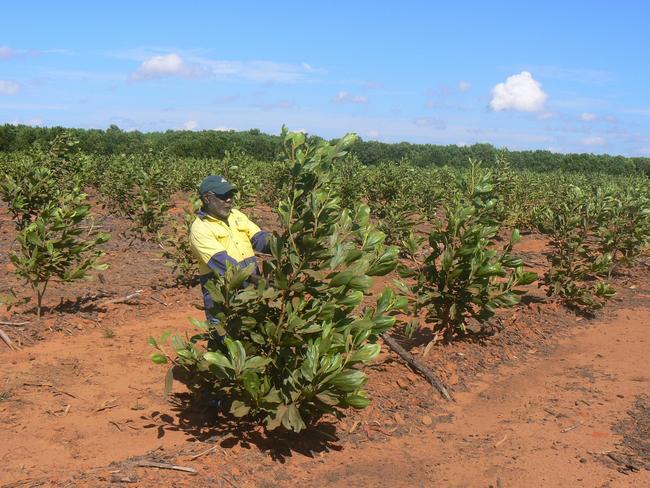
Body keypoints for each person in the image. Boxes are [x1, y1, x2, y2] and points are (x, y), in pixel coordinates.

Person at [189, 175, 270, 326]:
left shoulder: (236, 215)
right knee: (224, 339)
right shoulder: (200, 229)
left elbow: (259, 238)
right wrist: (260, 281)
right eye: (223, 196)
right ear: (207, 198)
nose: (229, 200)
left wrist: (282, 242)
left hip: (251, 291)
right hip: (222, 297)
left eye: (231, 195)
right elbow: (226, 265)